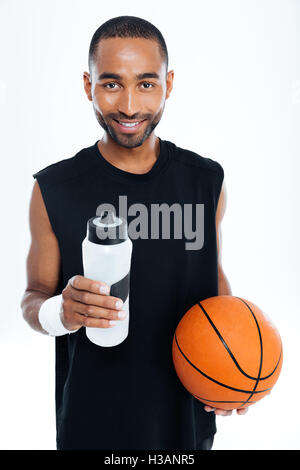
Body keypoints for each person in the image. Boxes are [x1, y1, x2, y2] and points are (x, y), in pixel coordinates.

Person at [20, 15, 247, 451]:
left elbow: (211, 277)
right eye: (110, 84)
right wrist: (60, 312)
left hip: (186, 420)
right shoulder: (54, 189)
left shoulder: (206, 181)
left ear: (169, 83)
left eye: (146, 84)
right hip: (92, 420)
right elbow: (33, 296)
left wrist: (234, 361)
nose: (128, 106)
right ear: (88, 86)